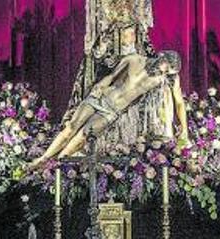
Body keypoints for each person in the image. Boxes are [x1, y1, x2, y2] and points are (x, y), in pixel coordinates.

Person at [30, 50, 190, 168]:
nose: (165, 72)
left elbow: (179, 103)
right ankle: (42, 160)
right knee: (71, 127)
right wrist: (99, 87)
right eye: (166, 67)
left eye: (170, 71)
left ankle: (56, 166)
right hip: (101, 97)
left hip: (113, 112)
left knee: (83, 136)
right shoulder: (134, 59)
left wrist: (184, 128)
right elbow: (112, 76)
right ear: (161, 56)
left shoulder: (166, 79)